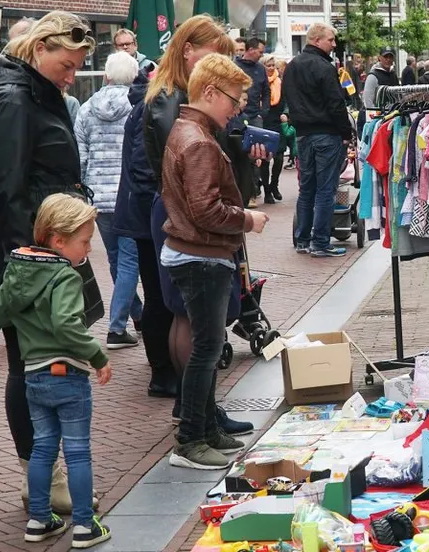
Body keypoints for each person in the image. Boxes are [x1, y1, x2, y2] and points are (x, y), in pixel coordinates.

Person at [0, 10, 98, 514]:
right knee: (31, 367)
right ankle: (38, 477)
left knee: (46, 363)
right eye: (66, 65)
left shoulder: (29, 91)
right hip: (31, 251)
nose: (71, 77)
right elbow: (7, 192)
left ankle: (44, 473)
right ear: (40, 48)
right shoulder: (13, 98)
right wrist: (38, 263)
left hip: (44, 246)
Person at [143, 14, 259, 435]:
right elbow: (194, 179)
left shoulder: (169, 97)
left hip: (182, 212)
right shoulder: (175, 104)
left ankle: (197, 411)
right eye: (216, 55)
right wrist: (244, 215)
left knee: (189, 318)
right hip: (191, 220)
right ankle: (198, 415)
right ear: (189, 50)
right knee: (198, 323)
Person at [160, 53, 269, 470]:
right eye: (233, 99)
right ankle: (190, 439)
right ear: (209, 92)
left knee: (207, 346)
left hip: (196, 252)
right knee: (207, 348)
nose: (237, 107)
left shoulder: (188, 130)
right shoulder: (199, 141)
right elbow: (206, 210)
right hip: (200, 254)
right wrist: (247, 219)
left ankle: (205, 429)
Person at [0, 194, 112, 548]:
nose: (87, 250)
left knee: (42, 448)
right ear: (58, 240)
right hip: (67, 375)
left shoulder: (19, 268)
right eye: (84, 241)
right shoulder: (64, 276)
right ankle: (86, 525)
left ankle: (40, 520)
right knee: (77, 450)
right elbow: (66, 325)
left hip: (33, 375)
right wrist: (97, 355)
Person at [74, 51, 143, 349]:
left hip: (98, 197)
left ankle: (139, 316)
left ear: (105, 75)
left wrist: (85, 187)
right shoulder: (137, 107)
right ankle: (116, 328)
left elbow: (81, 155)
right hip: (128, 194)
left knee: (118, 261)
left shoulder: (87, 108)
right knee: (129, 263)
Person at [282, 22, 353, 257]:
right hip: (326, 133)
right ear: (316, 40)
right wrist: (346, 133)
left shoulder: (292, 66)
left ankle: (302, 239)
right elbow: (335, 103)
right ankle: (320, 242)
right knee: (325, 189)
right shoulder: (324, 66)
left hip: (303, 135)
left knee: (307, 189)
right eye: (330, 40)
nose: (334, 44)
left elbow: (288, 98)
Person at [234, 37, 270, 202]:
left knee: (258, 154)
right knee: (240, 152)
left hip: (255, 116)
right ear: (251, 49)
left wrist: (264, 111)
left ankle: (253, 192)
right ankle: (242, 190)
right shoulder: (235, 67)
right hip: (237, 116)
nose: (262, 56)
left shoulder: (260, 69)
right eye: (260, 52)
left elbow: (267, 91)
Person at [260, 54, 285, 204]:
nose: (271, 68)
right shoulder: (260, 82)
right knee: (264, 158)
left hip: (277, 120)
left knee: (279, 156)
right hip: (263, 120)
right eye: (268, 65)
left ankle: (274, 184)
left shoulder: (280, 82)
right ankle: (267, 191)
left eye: (272, 65)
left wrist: (286, 113)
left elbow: (286, 99)